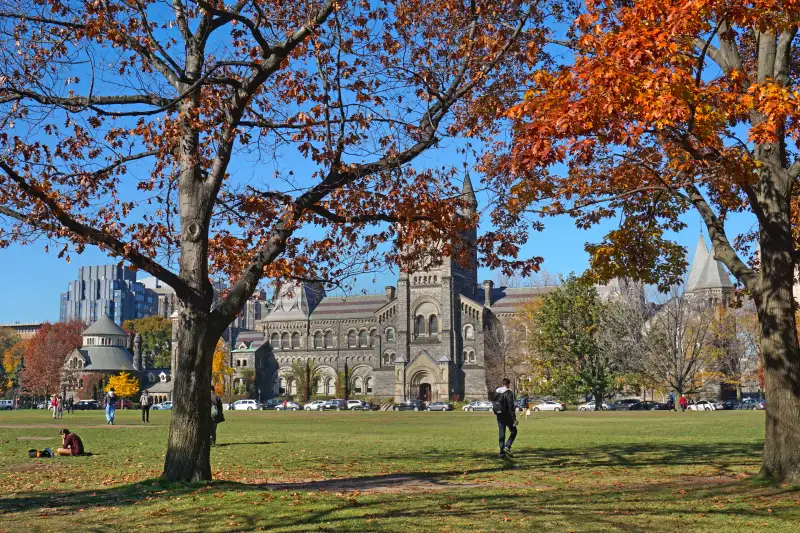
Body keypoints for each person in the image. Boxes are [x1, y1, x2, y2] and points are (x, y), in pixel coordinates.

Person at [492, 378, 518, 459]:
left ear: (502, 383)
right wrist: (514, 418)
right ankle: (507, 446)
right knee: (514, 431)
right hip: (507, 416)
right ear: (509, 384)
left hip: (499, 416)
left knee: (501, 434)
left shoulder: (496, 392)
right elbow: (511, 406)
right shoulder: (508, 392)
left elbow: (494, 403)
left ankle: (502, 453)